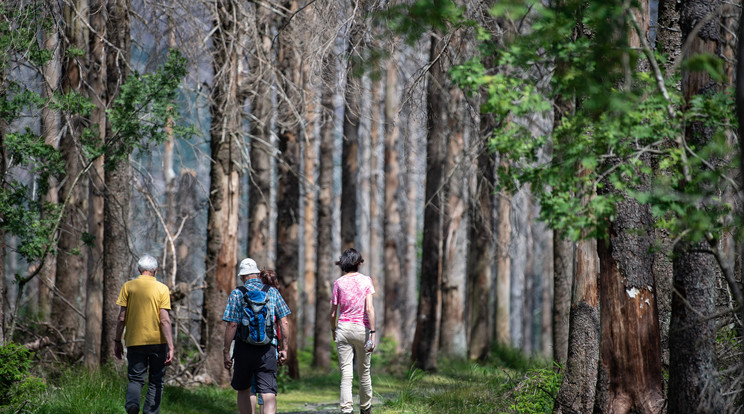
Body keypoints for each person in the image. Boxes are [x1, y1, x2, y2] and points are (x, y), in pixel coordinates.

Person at [223, 258, 290, 414]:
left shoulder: (237, 293)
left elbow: (232, 325)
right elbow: (284, 322)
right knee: (268, 392)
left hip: (243, 348)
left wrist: (226, 351)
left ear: (242, 277)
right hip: (267, 348)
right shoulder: (272, 291)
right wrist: (284, 348)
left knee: (244, 389)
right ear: (258, 274)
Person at [114, 254, 174, 414]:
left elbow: (121, 318)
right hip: (158, 342)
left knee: (135, 379)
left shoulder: (128, 287)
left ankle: (132, 406)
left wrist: (117, 340)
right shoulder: (162, 289)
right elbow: (165, 320)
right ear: (155, 270)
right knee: (156, 381)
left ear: (139, 269)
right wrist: (171, 345)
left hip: (134, 341)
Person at [330, 248, 376, 414]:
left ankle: (346, 410)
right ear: (357, 264)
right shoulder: (366, 281)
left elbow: (333, 312)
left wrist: (333, 329)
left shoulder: (338, 283)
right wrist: (373, 333)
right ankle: (365, 408)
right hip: (361, 329)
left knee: (346, 373)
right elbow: (369, 308)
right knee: (364, 372)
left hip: (343, 329)